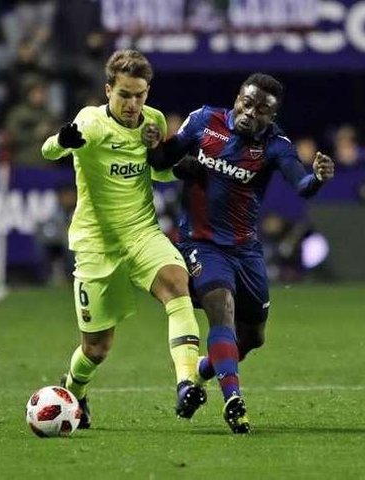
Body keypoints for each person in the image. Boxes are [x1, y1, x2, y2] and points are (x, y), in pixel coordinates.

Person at [146, 73, 335, 433]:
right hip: (200, 244)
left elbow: (302, 186)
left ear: (272, 116)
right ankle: (234, 400)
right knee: (223, 312)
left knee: (253, 338)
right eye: (247, 103)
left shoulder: (276, 145)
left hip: (245, 251)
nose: (251, 113)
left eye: (262, 110)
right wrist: (156, 146)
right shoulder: (204, 120)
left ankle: (204, 370)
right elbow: (162, 161)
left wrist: (319, 178)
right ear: (237, 98)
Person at [40, 50, 204, 429]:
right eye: (125, 95)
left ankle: (186, 382)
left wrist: (178, 172)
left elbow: (155, 172)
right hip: (97, 244)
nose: (133, 104)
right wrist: (62, 140)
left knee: (178, 284)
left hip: (142, 232)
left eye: (140, 95)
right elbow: (50, 150)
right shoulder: (91, 122)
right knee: (96, 348)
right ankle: (74, 390)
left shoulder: (154, 122)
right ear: (108, 89)